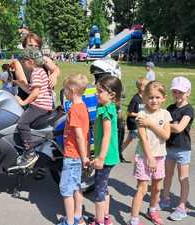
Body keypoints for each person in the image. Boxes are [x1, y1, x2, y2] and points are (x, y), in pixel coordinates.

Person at [127, 81, 172, 225]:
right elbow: (143, 139)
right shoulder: (141, 115)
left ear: (164, 98)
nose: (154, 100)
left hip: (160, 156)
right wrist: (150, 158)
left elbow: (166, 135)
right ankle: (133, 219)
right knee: (142, 188)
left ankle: (152, 210)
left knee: (157, 187)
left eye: (158, 97)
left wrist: (151, 124)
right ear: (145, 97)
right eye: (151, 97)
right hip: (144, 156)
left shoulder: (165, 114)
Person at [12, 47, 53, 169]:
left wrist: (24, 102)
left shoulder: (35, 72)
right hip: (45, 105)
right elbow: (33, 89)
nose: (23, 65)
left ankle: (30, 152)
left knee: (22, 124)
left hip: (39, 105)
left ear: (30, 61)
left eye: (24, 62)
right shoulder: (41, 71)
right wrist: (20, 84)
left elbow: (35, 94)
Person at [90, 75, 123, 225]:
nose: (96, 94)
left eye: (100, 91)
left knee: (99, 191)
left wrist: (101, 158)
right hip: (106, 155)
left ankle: (99, 221)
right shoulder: (106, 107)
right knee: (103, 187)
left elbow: (107, 136)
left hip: (106, 157)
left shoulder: (106, 111)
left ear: (111, 95)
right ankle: (105, 217)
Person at [57, 74, 90, 225]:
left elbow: (79, 136)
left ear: (71, 90)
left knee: (66, 190)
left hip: (73, 156)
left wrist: (83, 157)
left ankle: (69, 222)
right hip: (78, 156)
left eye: (65, 90)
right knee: (77, 187)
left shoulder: (74, 110)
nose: (64, 93)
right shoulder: (83, 107)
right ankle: (78, 216)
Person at [160, 76, 194, 221]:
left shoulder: (189, 110)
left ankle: (182, 206)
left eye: (181, 92)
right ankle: (165, 198)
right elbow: (163, 124)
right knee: (167, 175)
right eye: (175, 92)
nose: (177, 95)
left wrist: (169, 125)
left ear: (188, 92)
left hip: (183, 149)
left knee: (182, 178)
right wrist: (170, 125)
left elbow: (179, 128)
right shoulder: (170, 108)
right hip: (169, 147)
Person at [122, 78, 149, 159]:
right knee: (145, 138)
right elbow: (129, 112)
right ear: (141, 87)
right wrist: (139, 114)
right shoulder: (135, 99)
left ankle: (118, 153)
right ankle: (145, 155)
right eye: (146, 86)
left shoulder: (144, 98)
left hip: (139, 122)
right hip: (133, 123)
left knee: (128, 140)